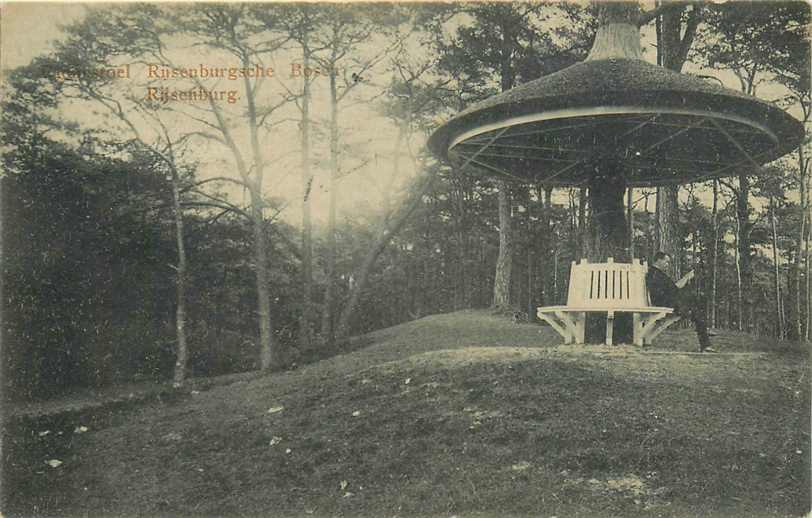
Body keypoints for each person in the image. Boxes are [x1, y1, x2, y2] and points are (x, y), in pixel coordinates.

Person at [646, 251, 714, 352]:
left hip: (667, 301)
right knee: (696, 304)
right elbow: (674, 289)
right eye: (666, 262)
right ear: (659, 260)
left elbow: (673, 289)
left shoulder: (656, 273)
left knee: (696, 304)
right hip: (664, 303)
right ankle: (704, 338)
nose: (667, 265)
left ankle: (704, 336)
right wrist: (686, 278)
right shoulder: (656, 274)